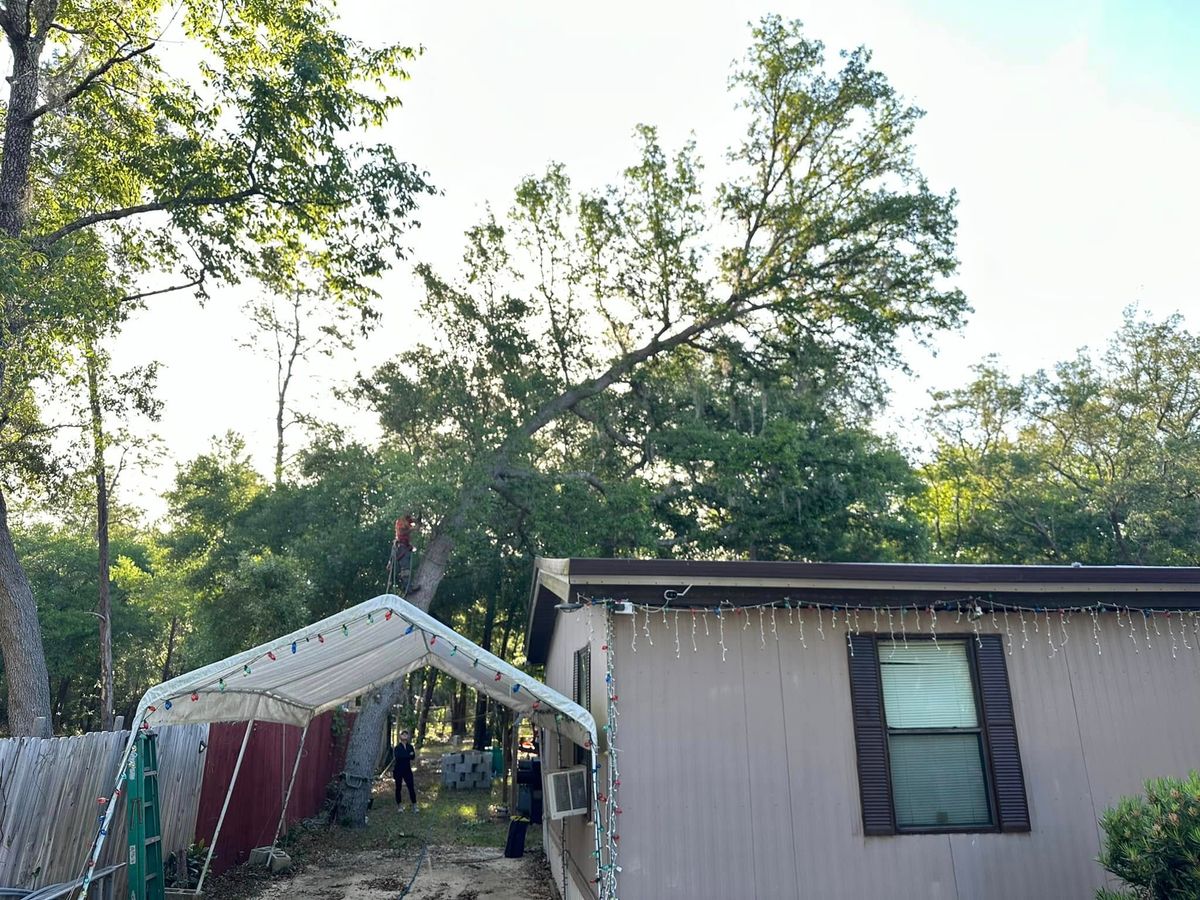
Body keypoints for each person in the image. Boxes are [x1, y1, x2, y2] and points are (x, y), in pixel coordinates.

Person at [393, 729, 417, 812]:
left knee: (411, 787)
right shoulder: (397, 748)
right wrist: (408, 755)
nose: (405, 736)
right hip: (398, 770)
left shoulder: (410, 747)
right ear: (400, 736)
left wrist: (407, 755)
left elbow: (413, 757)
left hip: (407, 770)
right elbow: (398, 757)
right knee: (398, 788)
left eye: (406, 735)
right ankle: (399, 806)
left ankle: (414, 805)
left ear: (408, 737)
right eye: (403, 734)